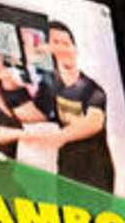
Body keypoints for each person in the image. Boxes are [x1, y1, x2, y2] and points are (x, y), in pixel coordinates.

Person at [28, 18, 112, 192]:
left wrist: (59, 137)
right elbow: (35, 113)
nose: (61, 48)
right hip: (67, 168)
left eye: (66, 43)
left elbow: (94, 122)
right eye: (55, 43)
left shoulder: (92, 89)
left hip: (95, 169)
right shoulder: (50, 86)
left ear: (75, 49)